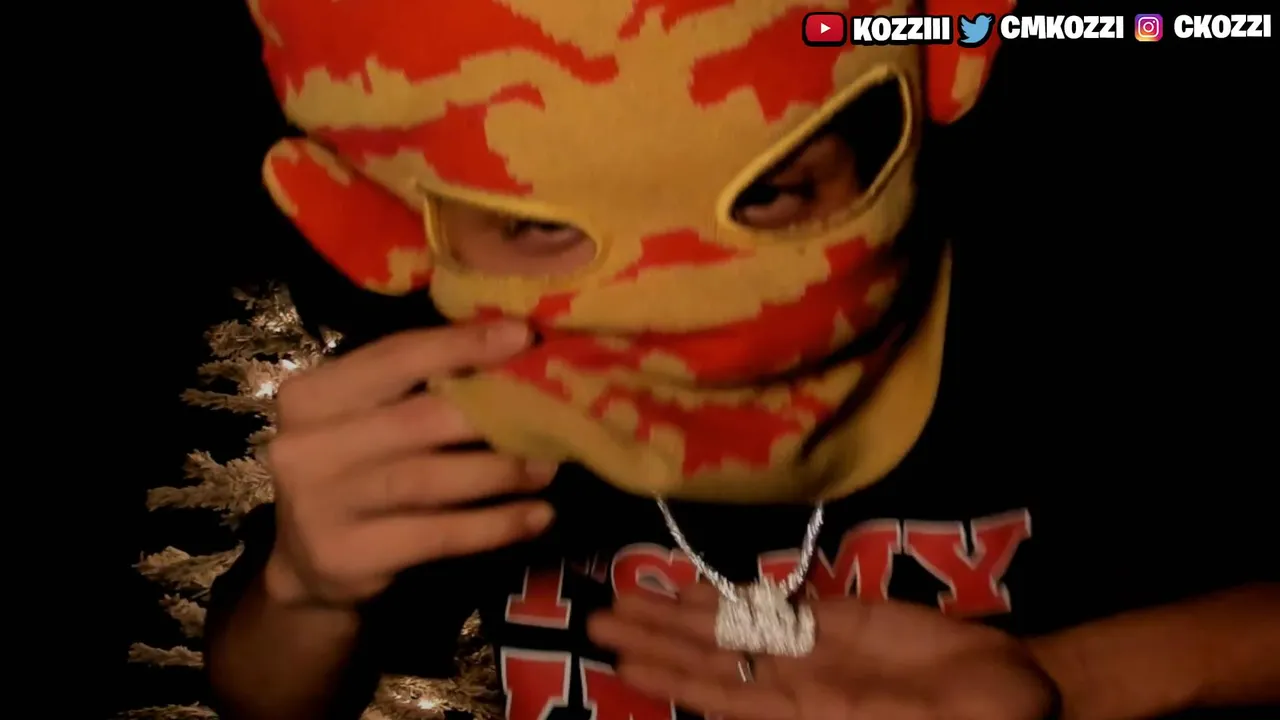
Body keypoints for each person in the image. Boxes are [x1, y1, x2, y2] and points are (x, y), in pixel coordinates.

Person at [206, 2, 1279, 719]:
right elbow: (263, 697)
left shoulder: (1090, 303)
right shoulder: (459, 394)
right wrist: (306, 594)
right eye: (541, 226)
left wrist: (1066, 683)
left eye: (768, 189)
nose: (669, 303)